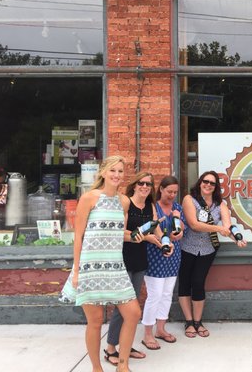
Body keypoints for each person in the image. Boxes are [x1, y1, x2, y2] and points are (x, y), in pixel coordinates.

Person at [59, 155, 141, 372]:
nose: (116, 175)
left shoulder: (124, 201)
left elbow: (118, 233)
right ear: (103, 172)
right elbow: (78, 236)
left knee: (133, 313)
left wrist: (137, 236)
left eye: (121, 171)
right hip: (90, 267)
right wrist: (76, 271)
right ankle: (97, 368)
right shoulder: (89, 198)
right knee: (95, 322)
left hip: (115, 266)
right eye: (112, 170)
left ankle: (122, 365)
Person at [105, 171, 166, 362]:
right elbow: (119, 233)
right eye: (141, 183)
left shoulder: (150, 205)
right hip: (123, 259)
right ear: (134, 184)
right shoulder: (126, 203)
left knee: (132, 306)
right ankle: (110, 348)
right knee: (123, 306)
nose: (145, 187)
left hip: (140, 260)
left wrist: (164, 243)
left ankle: (125, 345)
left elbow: (157, 229)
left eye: (149, 184)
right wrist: (143, 237)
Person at [178, 171, 247, 338]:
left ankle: (197, 321)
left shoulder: (220, 204)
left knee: (198, 282)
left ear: (216, 187)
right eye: (205, 181)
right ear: (200, 182)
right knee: (185, 283)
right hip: (187, 247)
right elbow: (194, 225)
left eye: (212, 183)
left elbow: (228, 226)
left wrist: (236, 238)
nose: (208, 185)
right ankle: (188, 322)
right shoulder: (189, 199)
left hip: (208, 249)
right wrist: (218, 229)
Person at [141, 175, 184, 348]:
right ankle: (147, 334)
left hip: (174, 256)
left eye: (175, 192)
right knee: (155, 295)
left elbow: (181, 230)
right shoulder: (152, 208)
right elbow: (149, 231)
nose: (172, 195)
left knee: (167, 294)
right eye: (169, 191)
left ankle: (161, 329)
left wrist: (178, 231)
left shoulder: (177, 208)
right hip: (154, 256)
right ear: (161, 189)